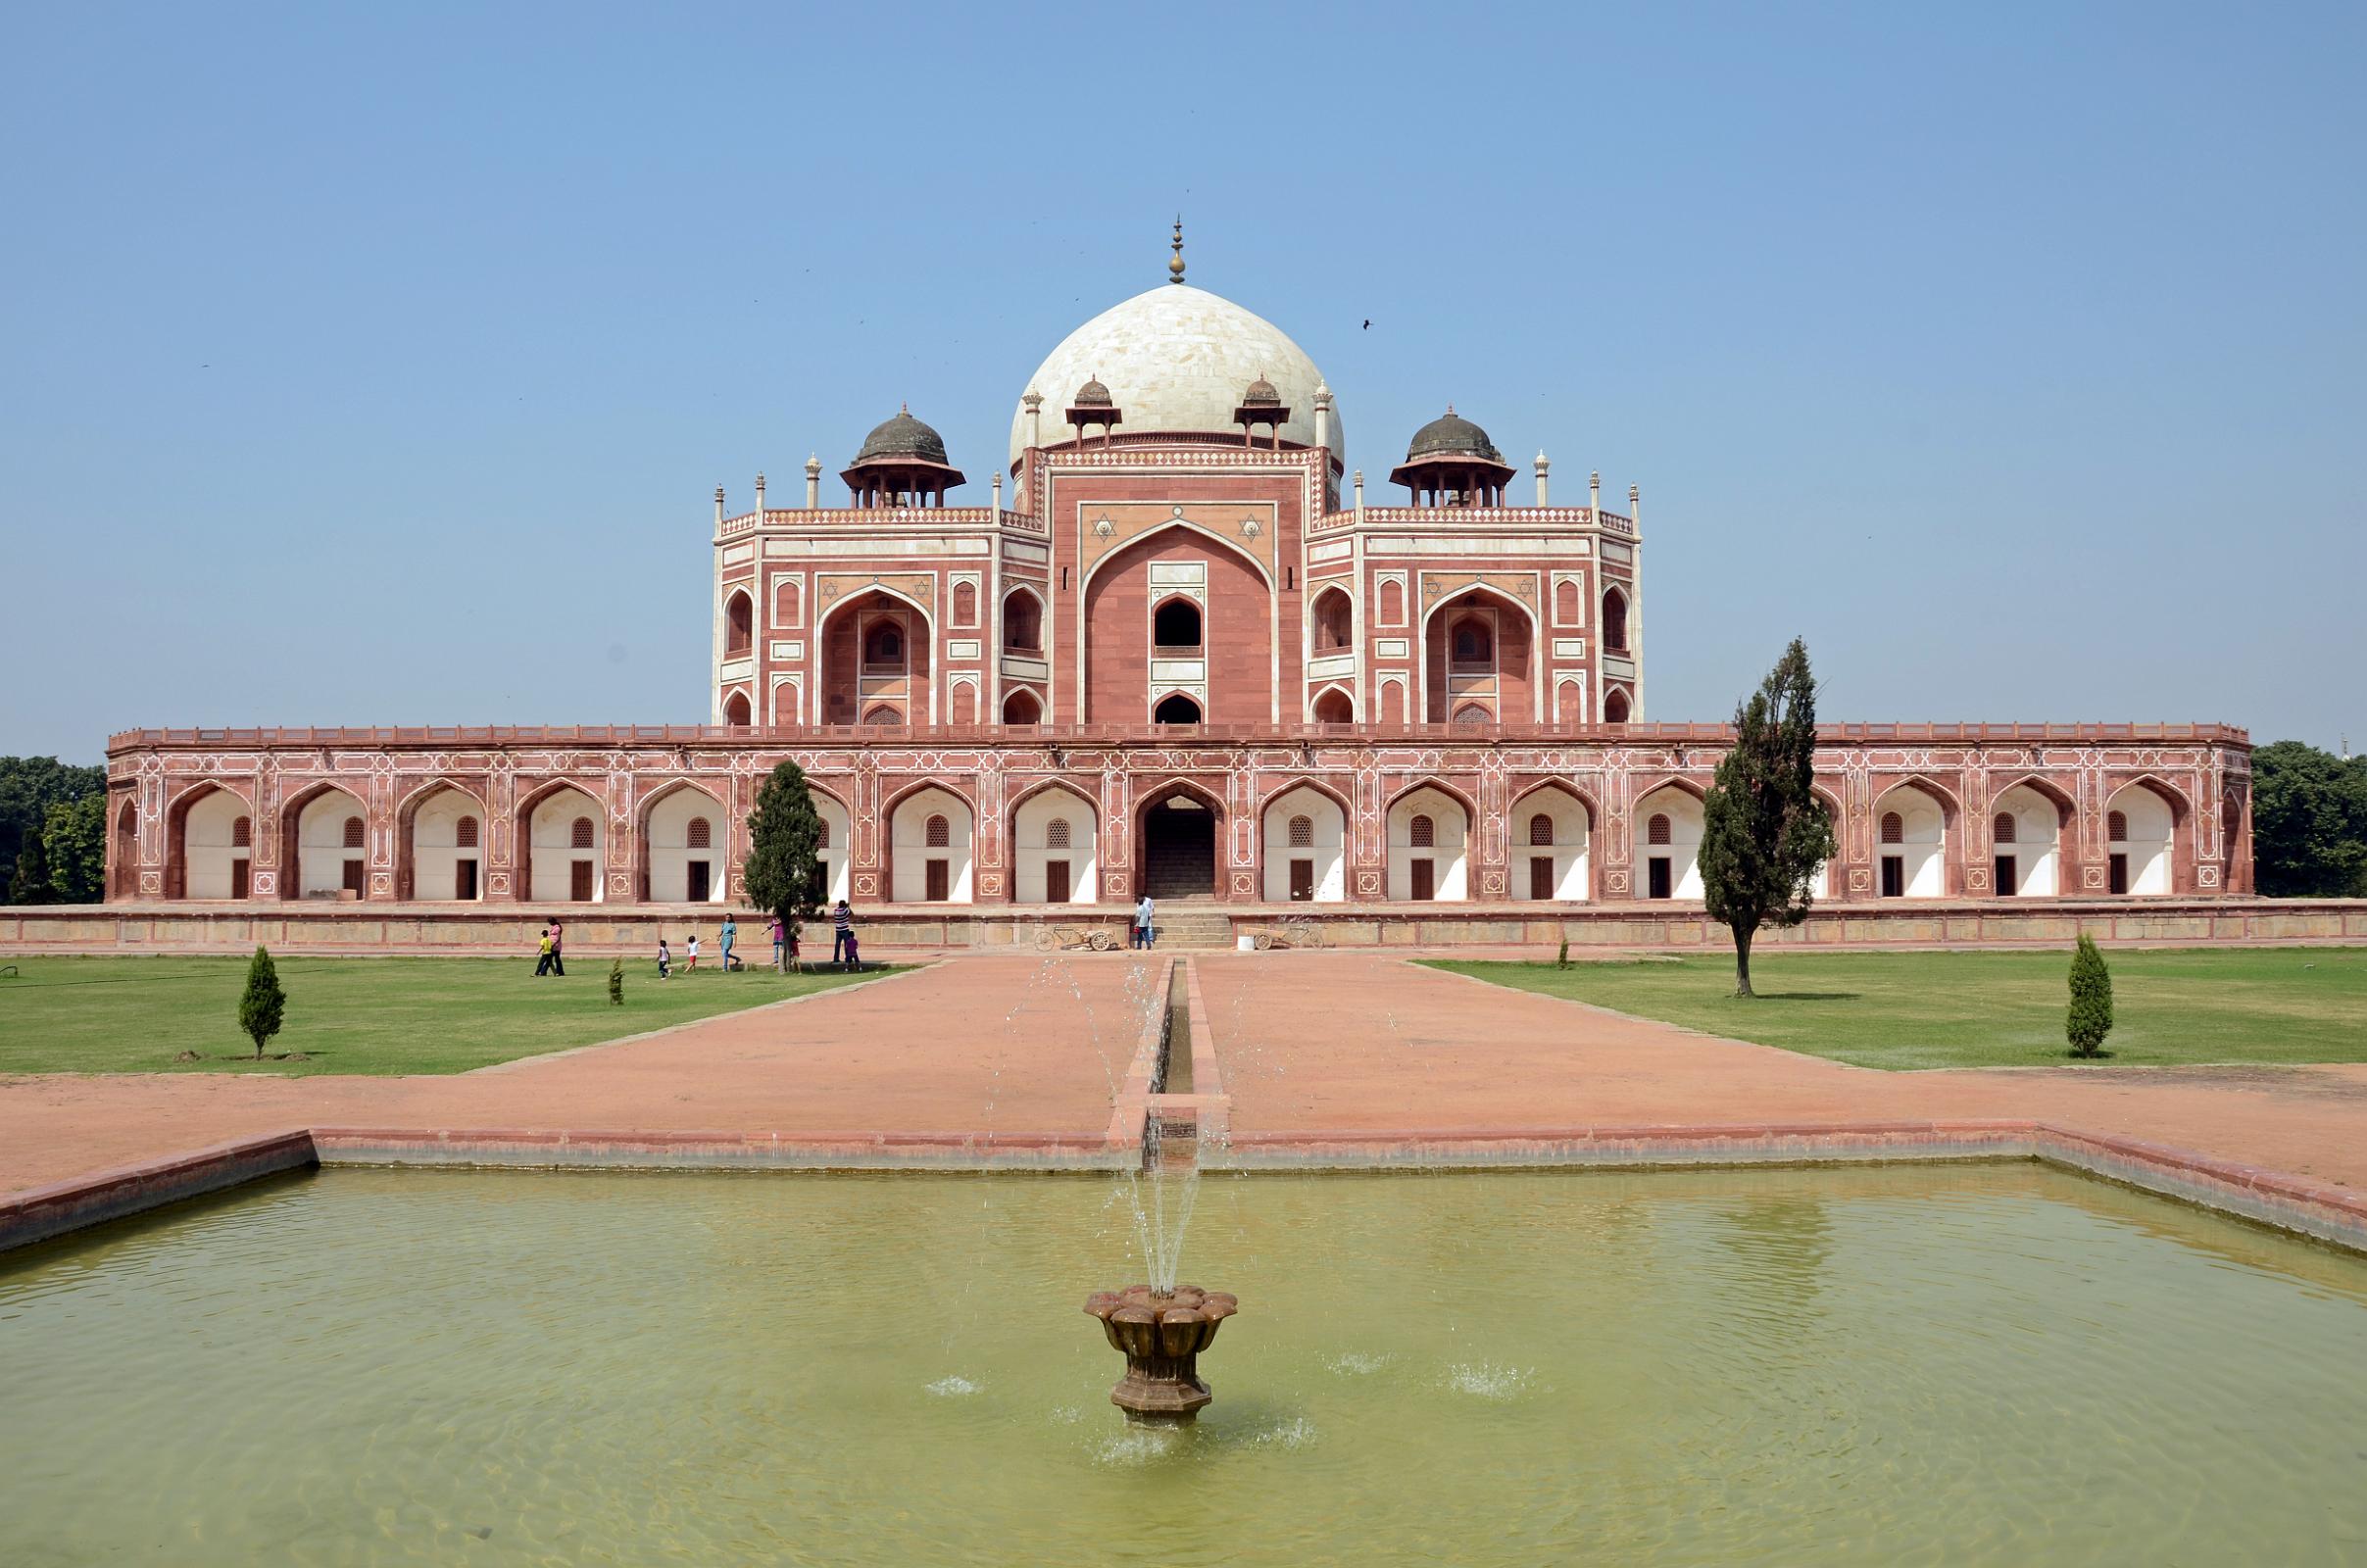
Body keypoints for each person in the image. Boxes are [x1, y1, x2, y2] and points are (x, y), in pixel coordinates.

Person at [831, 900, 854, 966]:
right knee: (847, 945)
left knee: (837, 945)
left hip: (838, 930)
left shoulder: (836, 910)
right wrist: (848, 907)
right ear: (844, 905)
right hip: (845, 930)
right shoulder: (845, 910)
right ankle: (848, 958)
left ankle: (836, 958)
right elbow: (852, 915)